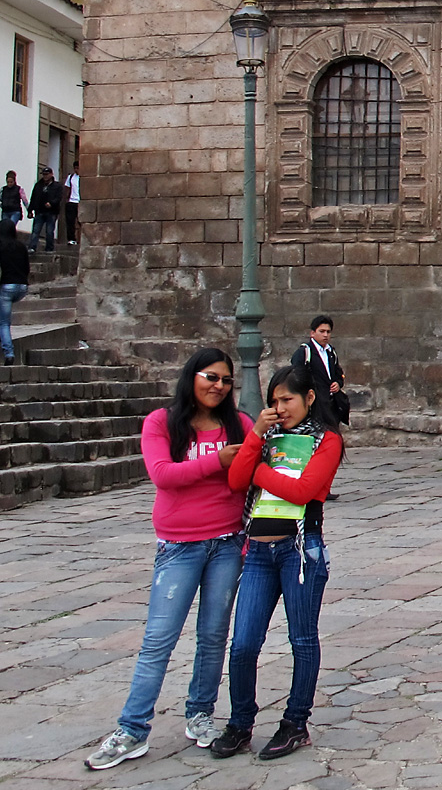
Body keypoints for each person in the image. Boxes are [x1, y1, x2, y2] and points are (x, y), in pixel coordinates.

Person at [84, 347, 253, 771]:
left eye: (225, 380)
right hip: (179, 545)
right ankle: (133, 727)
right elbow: (163, 474)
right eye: (209, 377)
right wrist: (218, 459)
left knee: (214, 634)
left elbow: (247, 475)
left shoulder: (241, 425)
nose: (217, 386)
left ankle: (200, 712)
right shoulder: (162, 422)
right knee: (159, 639)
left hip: (227, 542)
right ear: (191, 377)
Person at [211, 365, 344, 761]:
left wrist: (261, 470)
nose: (280, 407)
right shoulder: (266, 437)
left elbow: (304, 491)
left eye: (287, 399)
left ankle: (295, 722)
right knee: (243, 643)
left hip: (300, 550)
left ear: (310, 398)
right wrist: (254, 437)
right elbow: (236, 481)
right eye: (274, 401)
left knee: (302, 639)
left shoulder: (327, 440)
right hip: (258, 552)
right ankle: (240, 723)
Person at [291, 315, 347, 500]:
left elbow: (338, 374)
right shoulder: (304, 353)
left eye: (328, 332)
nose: (325, 335)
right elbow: (297, 375)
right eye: (322, 331)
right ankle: (312, 483)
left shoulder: (331, 352)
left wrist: (338, 383)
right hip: (316, 405)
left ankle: (325, 486)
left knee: (332, 444)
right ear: (312, 332)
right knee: (315, 444)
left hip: (331, 403)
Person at [0, 218, 30, 365]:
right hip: (21, 287)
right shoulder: (21, 246)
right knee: (2, 312)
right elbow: (27, 267)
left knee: (4, 322)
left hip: (6, 287)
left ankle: (9, 353)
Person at [27, 167, 63, 253]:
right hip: (39, 211)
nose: (45, 176)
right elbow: (33, 198)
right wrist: (30, 210)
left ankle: (49, 248)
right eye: (44, 175)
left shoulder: (57, 186)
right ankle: (32, 247)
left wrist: (52, 203)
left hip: (51, 211)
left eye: (47, 174)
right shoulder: (38, 185)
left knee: (49, 231)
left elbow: (59, 198)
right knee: (35, 230)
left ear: (51, 174)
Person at [64, 161, 80, 244]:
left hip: (80, 201)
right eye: (76, 168)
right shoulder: (71, 177)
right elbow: (67, 188)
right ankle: (71, 238)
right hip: (72, 201)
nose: (77, 170)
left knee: (80, 221)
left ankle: (80, 238)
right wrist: (67, 199)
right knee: (70, 221)